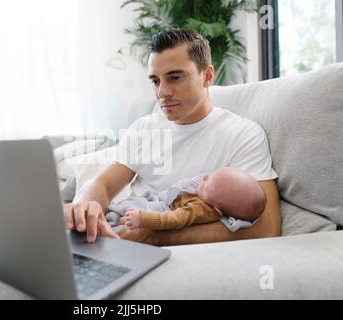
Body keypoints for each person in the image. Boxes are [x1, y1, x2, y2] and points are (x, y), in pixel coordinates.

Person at [64, 28, 281, 245]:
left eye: (175, 77)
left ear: (207, 76)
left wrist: (151, 236)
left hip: (151, 244)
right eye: (156, 81)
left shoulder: (244, 135)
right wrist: (85, 205)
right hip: (123, 230)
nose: (162, 93)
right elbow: (102, 185)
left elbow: (268, 228)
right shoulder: (144, 128)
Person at [112, 167, 266, 232]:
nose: (204, 178)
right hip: (164, 203)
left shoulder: (200, 209)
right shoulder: (212, 197)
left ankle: (115, 220)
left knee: (128, 209)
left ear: (217, 209)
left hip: (164, 212)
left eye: (206, 185)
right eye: (210, 176)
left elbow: (174, 220)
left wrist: (143, 219)